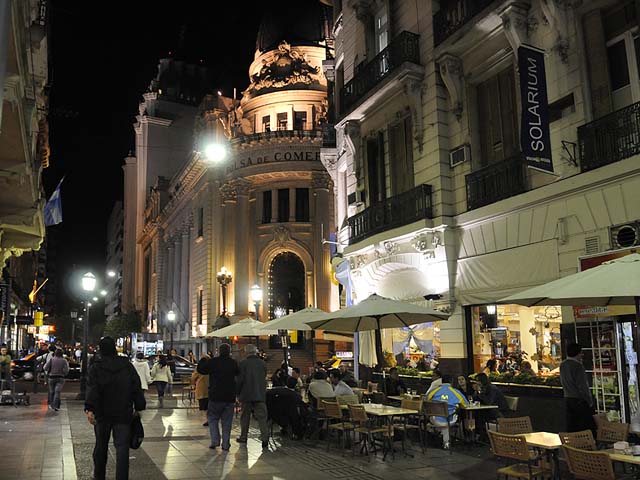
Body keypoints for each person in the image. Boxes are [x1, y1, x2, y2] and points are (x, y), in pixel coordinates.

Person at [85, 336, 145, 480]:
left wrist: (90, 409)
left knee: (101, 447)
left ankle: (99, 476)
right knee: (122, 449)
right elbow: (136, 387)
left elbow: (92, 390)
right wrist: (139, 406)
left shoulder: (96, 367)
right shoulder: (127, 366)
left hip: (102, 413)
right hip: (123, 413)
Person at [198, 345, 238, 449]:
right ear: (229, 352)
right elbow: (238, 374)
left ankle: (215, 441)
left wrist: (203, 360)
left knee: (212, 419)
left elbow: (201, 370)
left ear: (219, 351)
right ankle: (226, 444)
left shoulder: (213, 362)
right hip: (229, 396)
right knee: (227, 422)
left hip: (215, 396)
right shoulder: (233, 363)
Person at [236, 344, 269, 449]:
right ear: (256, 352)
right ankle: (265, 437)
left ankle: (243, 436)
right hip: (260, 394)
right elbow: (264, 377)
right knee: (262, 417)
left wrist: (237, 392)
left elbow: (239, 380)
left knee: (245, 417)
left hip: (246, 394)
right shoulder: (262, 363)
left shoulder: (243, 363)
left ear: (246, 352)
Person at [425, 375, 468, 449]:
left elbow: (425, 401)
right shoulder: (456, 392)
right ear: (451, 382)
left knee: (441, 422)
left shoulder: (433, 391)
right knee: (447, 419)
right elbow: (465, 405)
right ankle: (446, 442)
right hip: (451, 419)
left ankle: (438, 434)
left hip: (434, 418)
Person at [560, 343, 596, 433]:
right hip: (579, 400)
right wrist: (589, 401)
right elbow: (583, 385)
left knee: (572, 426)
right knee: (584, 427)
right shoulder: (578, 366)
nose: (582, 355)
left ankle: (573, 444)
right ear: (578, 353)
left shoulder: (563, 365)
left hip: (567, 398)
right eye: (581, 353)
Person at [191, 354, 211, 427]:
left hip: (201, 388)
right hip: (211, 388)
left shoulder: (199, 368)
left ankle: (207, 419)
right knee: (210, 404)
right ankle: (210, 418)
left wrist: (193, 384)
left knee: (204, 406)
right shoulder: (212, 367)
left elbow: (193, 377)